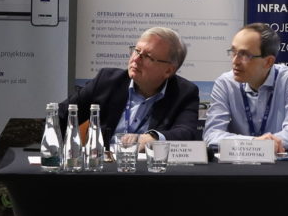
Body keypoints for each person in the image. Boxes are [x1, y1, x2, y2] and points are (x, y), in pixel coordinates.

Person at [59, 26, 199, 151]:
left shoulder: (184, 92)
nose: (136, 59)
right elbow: (62, 116)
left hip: (150, 169)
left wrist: (154, 138)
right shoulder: (106, 81)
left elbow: (187, 133)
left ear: (168, 70)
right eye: (136, 51)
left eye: (147, 56)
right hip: (105, 165)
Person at [202, 23, 288, 153]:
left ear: (268, 62)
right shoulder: (225, 83)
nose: (235, 61)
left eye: (245, 55)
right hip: (241, 162)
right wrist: (254, 143)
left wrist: (259, 144)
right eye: (233, 52)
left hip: (284, 160)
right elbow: (211, 135)